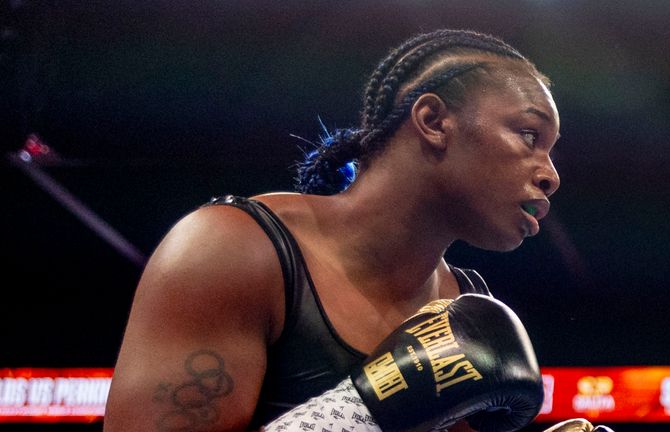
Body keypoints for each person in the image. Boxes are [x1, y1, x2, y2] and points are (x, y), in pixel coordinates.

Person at [104, 28, 564, 431]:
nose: (550, 175)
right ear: (433, 121)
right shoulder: (231, 248)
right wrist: (360, 410)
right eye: (529, 135)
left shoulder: (466, 304)